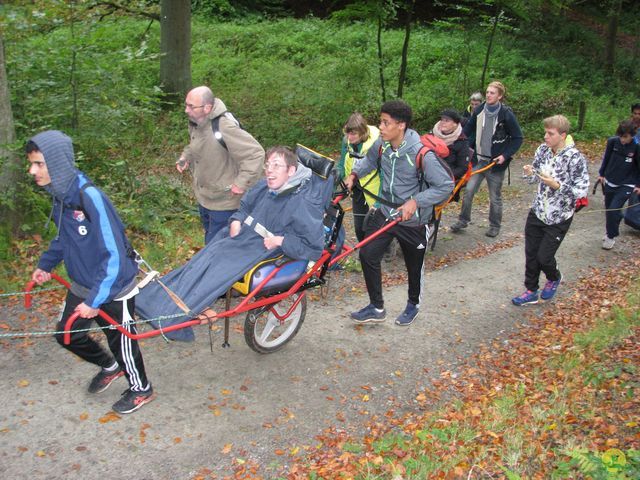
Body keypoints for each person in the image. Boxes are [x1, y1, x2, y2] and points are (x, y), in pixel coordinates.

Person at [136, 146, 329, 341]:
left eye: (276, 165)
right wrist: (236, 219)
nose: (269, 170)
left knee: (216, 269)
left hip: (260, 248)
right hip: (242, 236)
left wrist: (282, 240)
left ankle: (175, 317)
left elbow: (313, 248)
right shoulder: (266, 186)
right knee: (201, 260)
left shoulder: (303, 203)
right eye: (268, 164)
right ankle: (156, 300)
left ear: (291, 171)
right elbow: (245, 206)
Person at [27, 130, 154, 414]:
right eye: (32, 164)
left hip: (113, 286)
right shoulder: (61, 195)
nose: (32, 170)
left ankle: (141, 388)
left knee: (120, 340)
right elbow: (64, 238)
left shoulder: (90, 197)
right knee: (67, 334)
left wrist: (95, 300)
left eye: (38, 164)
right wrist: (45, 264)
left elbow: (114, 255)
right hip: (84, 282)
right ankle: (109, 366)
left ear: (56, 164)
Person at [344, 100, 454, 326]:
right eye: (381, 122)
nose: (381, 127)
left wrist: (416, 201)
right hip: (385, 212)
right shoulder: (382, 145)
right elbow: (369, 161)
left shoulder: (421, 153)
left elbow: (445, 185)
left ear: (401, 125)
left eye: (386, 123)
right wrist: (354, 175)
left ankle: (413, 305)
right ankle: (376, 306)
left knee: (414, 267)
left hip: (413, 221)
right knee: (367, 255)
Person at [512, 115, 589, 306]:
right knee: (531, 254)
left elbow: (582, 190)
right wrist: (529, 173)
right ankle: (531, 291)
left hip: (559, 217)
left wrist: (558, 185)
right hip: (538, 211)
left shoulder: (575, 158)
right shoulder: (543, 150)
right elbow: (536, 177)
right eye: (545, 132)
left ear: (563, 135)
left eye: (550, 133)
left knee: (544, 258)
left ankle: (554, 277)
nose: (545, 136)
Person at [177, 86, 265, 244]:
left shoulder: (224, 126)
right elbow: (195, 144)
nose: (186, 110)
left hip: (225, 202)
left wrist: (241, 183)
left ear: (207, 107)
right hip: (205, 197)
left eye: (191, 106)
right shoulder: (197, 122)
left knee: (216, 248)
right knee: (210, 241)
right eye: (186, 105)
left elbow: (255, 154)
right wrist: (186, 157)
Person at [450, 81, 523, 237]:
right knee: (468, 191)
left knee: (494, 197)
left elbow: (518, 138)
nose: (489, 95)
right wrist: (457, 144)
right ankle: (463, 220)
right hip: (479, 161)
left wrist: (504, 156)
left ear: (500, 96)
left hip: (495, 165)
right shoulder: (479, 110)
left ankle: (494, 226)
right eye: (488, 92)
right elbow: (467, 130)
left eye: (492, 93)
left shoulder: (506, 114)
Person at [336, 113, 381, 242]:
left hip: (376, 191)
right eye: (348, 133)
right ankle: (364, 249)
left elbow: (386, 175)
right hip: (357, 187)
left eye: (353, 134)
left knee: (378, 227)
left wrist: (379, 202)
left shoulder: (378, 145)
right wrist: (335, 181)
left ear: (363, 132)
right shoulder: (347, 141)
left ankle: (388, 249)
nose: (349, 138)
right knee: (359, 226)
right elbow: (342, 164)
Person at [598, 120, 640, 250]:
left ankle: (611, 236)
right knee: (609, 209)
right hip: (610, 181)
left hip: (627, 184)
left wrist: (638, 184)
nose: (622, 139)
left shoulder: (637, 147)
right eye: (621, 136)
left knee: (613, 209)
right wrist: (602, 173)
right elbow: (607, 158)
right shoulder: (613, 142)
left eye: (625, 137)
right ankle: (615, 222)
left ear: (632, 135)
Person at [432, 109, 470, 195]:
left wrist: (443, 176)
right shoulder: (432, 135)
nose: (442, 122)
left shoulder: (462, 141)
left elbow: (462, 168)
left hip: (445, 179)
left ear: (455, 124)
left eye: (447, 120)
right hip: (426, 175)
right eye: (442, 119)